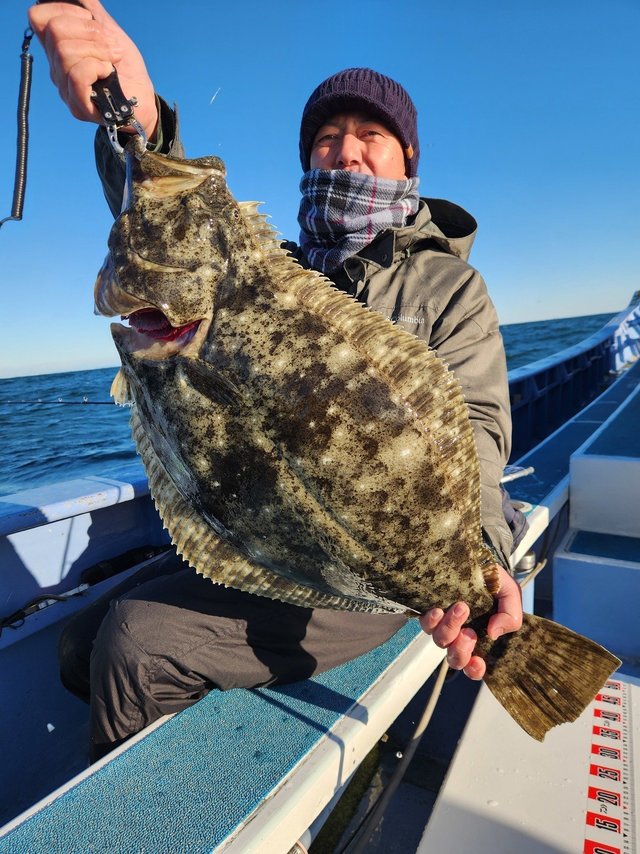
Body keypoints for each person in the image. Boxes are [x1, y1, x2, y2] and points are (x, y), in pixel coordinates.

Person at [29, 0, 526, 762]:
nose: (346, 153)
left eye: (370, 136)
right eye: (327, 140)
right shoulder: (270, 273)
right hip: (279, 536)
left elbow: (480, 435)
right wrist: (133, 119)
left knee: (134, 642)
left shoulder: (448, 288)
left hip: (365, 569)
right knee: (78, 644)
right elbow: (179, 224)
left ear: (409, 161)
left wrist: (483, 560)